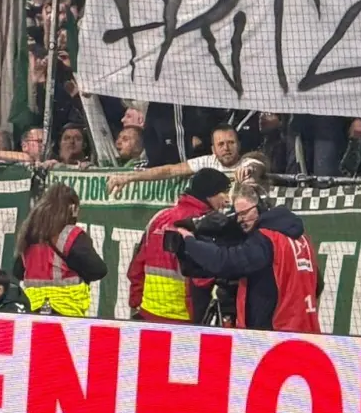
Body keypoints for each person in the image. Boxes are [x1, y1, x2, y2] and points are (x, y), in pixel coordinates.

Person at [168, 184, 321, 332]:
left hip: (277, 333)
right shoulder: (301, 238)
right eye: (238, 215)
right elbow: (318, 285)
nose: (240, 220)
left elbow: (225, 262)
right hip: (306, 330)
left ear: (260, 207)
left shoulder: (266, 239)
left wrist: (190, 242)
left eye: (244, 213)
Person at [127, 167, 231, 323]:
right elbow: (203, 279)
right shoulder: (205, 224)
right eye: (224, 193)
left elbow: (137, 265)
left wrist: (135, 302)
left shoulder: (159, 218)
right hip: (183, 319)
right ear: (210, 194)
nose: (228, 200)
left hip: (149, 313)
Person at [12, 183, 107, 316]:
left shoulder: (28, 235)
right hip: (66, 310)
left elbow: (17, 272)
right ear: (72, 208)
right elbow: (99, 270)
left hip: (33, 309)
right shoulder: (70, 235)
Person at [107, 124, 243, 195]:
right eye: (221, 144)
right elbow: (169, 170)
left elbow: (254, 166)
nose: (226, 148)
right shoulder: (207, 162)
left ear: (239, 145)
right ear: (213, 149)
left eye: (231, 143)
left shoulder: (248, 164)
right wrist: (129, 177)